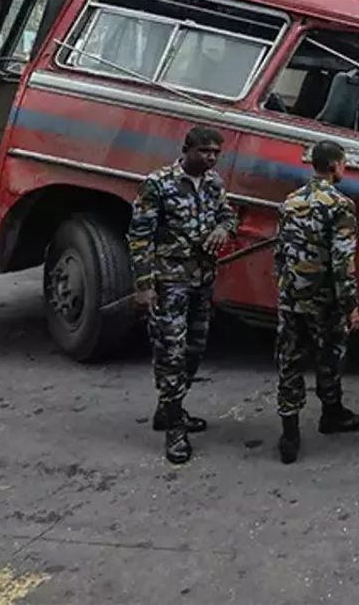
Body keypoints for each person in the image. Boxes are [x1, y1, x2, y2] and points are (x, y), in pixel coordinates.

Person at [127, 125, 238, 465]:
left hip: (201, 279)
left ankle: (168, 408)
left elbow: (229, 216)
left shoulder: (214, 183)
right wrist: (144, 285)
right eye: (205, 151)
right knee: (171, 352)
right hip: (169, 281)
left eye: (216, 153)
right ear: (187, 149)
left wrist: (223, 229)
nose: (211, 158)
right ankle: (175, 429)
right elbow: (139, 236)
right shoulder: (158, 184)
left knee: (195, 348)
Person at [272, 141, 359, 464]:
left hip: (291, 296)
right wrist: (351, 306)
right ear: (335, 165)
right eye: (344, 163)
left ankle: (290, 433)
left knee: (289, 361)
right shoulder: (340, 205)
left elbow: (280, 251)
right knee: (330, 356)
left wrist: (286, 286)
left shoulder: (290, 201)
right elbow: (343, 262)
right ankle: (332, 414)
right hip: (324, 300)